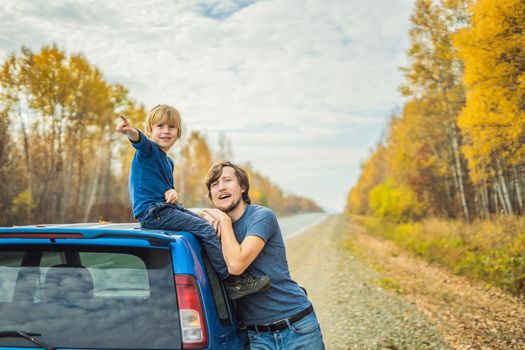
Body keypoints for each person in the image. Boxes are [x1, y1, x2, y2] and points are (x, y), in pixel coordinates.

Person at [116, 105, 270, 300]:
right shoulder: (149, 151)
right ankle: (231, 281)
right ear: (149, 131)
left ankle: (214, 271)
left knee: (205, 225)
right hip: (152, 212)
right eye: (160, 126)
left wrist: (171, 192)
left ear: (178, 133)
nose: (166, 131)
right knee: (204, 229)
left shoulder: (168, 162)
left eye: (171, 127)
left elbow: (164, 188)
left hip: (164, 207)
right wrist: (130, 131)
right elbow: (139, 141)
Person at [199, 161, 325, 350]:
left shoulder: (261, 216)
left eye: (227, 180)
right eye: (215, 184)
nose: (221, 187)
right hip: (257, 337)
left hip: (297, 327)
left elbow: (236, 264)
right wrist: (203, 215)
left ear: (242, 187)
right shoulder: (212, 226)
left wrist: (224, 221)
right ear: (211, 195)